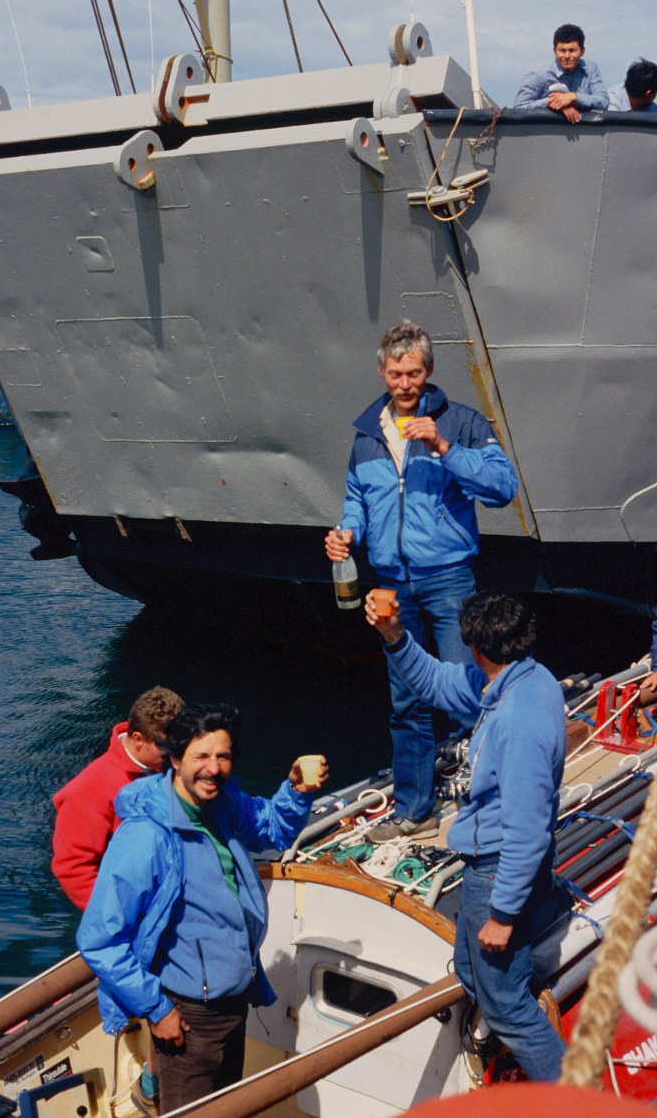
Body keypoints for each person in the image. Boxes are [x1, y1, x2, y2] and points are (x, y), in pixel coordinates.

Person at [77, 704, 327, 1113]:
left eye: (223, 756)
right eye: (201, 757)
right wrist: (157, 1011)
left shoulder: (222, 803)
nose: (213, 769)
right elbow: (99, 939)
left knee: (228, 1109)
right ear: (174, 759)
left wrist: (297, 791)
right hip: (190, 1017)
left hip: (234, 1001)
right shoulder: (146, 837)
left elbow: (273, 830)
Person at [324, 320, 517, 840]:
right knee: (407, 701)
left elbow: (503, 488)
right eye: (394, 373)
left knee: (467, 690)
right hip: (390, 583)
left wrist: (445, 447)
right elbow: (358, 499)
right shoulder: (367, 436)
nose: (404, 383)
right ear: (382, 372)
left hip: (449, 577)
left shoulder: (462, 421)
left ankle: (488, 797)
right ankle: (415, 810)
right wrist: (346, 534)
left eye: (413, 373)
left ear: (428, 371)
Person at [366, 589, 567, 1081]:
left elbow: (527, 832)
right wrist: (393, 637)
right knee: (469, 963)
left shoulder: (517, 722)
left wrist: (502, 916)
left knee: (504, 1006)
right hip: (501, 867)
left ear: (476, 648)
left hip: (498, 870)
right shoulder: (523, 678)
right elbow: (437, 681)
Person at [51, 686, 185, 910]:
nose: (175, 752)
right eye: (165, 745)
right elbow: (73, 868)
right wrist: (117, 915)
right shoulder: (89, 788)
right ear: (138, 739)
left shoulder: (169, 767)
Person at [514, 23, 608, 122]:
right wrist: (554, 103)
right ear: (555, 51)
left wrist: (573, 97)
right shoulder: (539, 76)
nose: (567, 56)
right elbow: (518, 109)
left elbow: (603, 101)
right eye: (562, 50)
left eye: (572, 50)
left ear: (582, 51)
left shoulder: (590, 69)